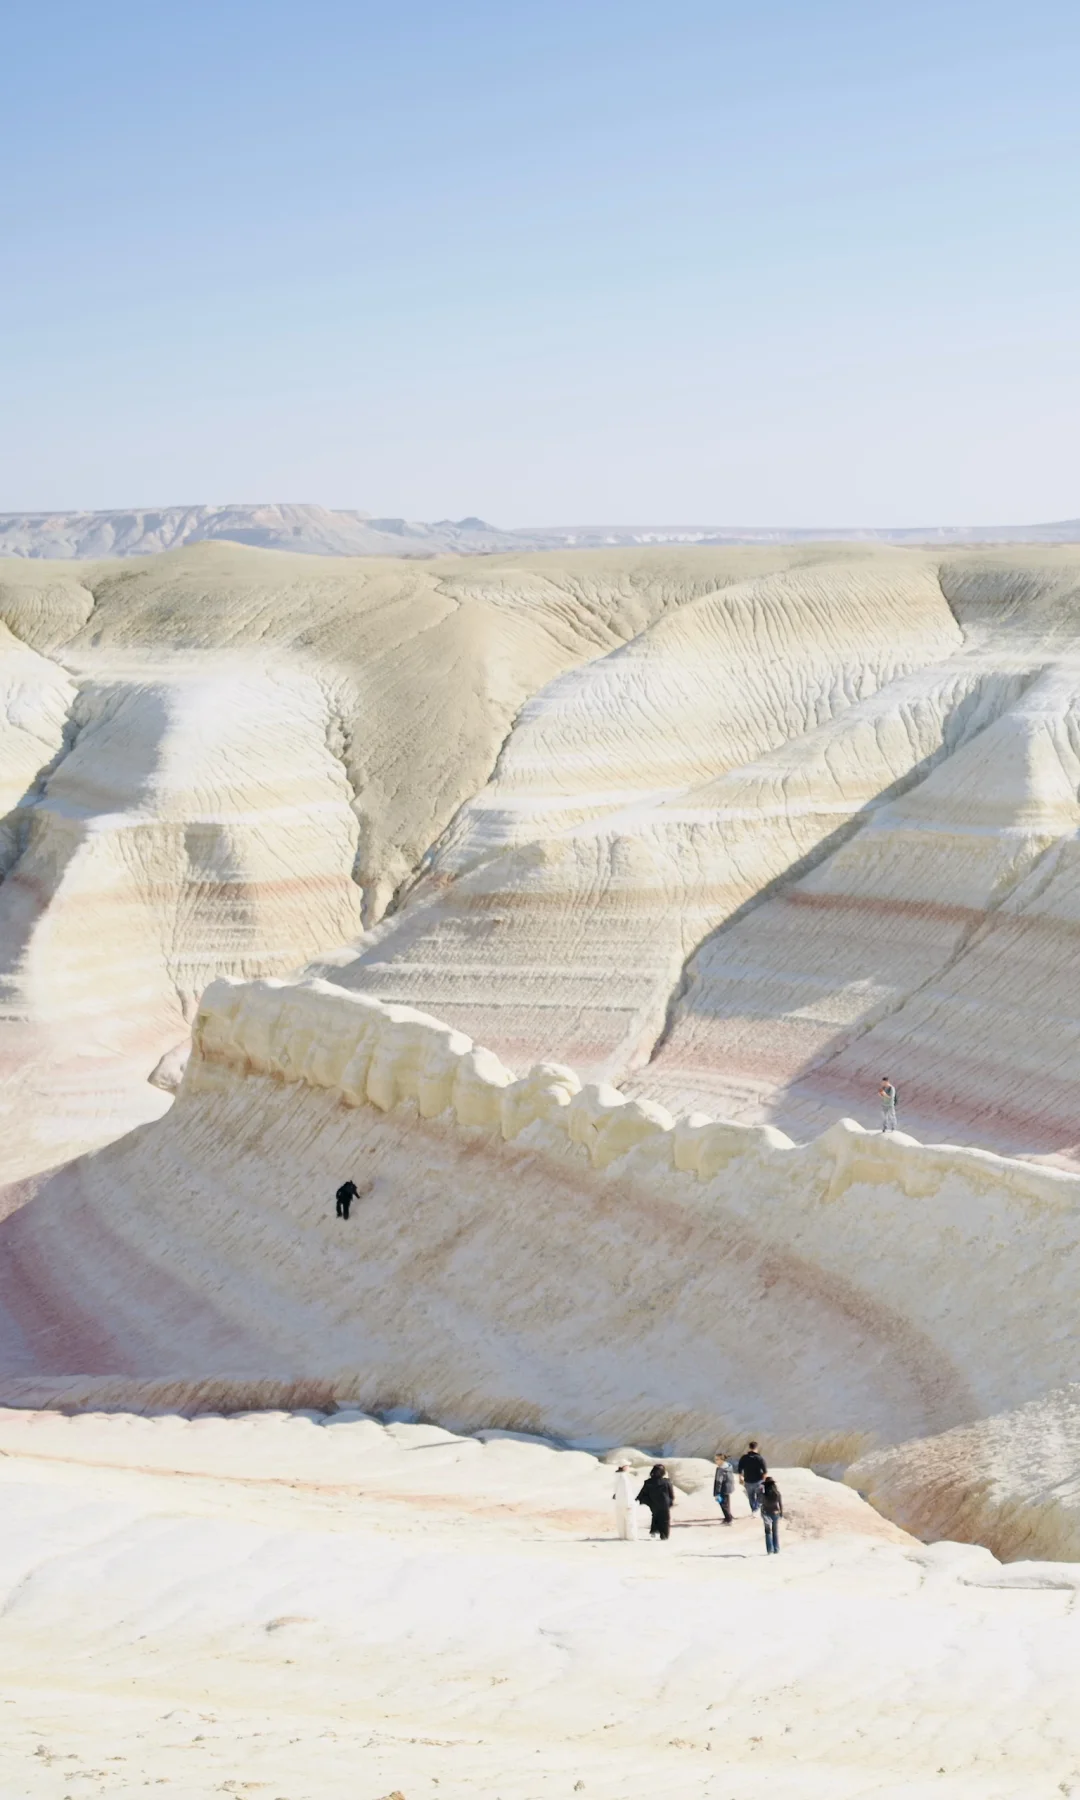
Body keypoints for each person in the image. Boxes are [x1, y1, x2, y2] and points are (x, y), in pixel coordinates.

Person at [636, 1463, 676, 1540]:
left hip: (653, 1503)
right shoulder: (666, 1482)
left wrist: (638, 1500)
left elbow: (642, 1493)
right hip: (665, 1504)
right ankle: (664, 1535)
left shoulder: (648, 1482)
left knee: (655, 1516)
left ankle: (654, 1530)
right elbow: (671, 1493)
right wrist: (671, 1501)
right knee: (665, 1519)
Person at [737, 1440, 768, 1514]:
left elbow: (740, 1469)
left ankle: (754, 1510)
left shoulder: (744, 1457)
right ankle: (756, 1508)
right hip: (758, 1480)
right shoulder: (760, 1458)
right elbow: (765, 1471)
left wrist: (740, 1478)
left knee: (751, 1497)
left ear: (749, 1448)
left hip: (747, 1481)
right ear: (756, 1448)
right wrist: (764, 1481)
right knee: (760, 1496)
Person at [612, 1464, 640, 1540]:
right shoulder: (624, 1477)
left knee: (621, 1521)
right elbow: (626, 1492)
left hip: (619, 1502)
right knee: (630, 1520)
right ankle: (631, 1537)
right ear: (624, 1467)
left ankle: (622, 1536)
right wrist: (629, 1503)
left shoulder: (617, 1476)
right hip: (627, 1502)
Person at [760, 1475, 783, 1553]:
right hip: (775, 1513)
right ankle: (776, 1549)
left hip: (766, 1513)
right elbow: (780, 1504)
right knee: (775, 1531)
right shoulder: (777, 1493)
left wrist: (760, 1491)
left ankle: (769, 1550)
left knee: (768, 1532)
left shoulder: (764, 1494)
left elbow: (760, 1502)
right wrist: (781, 1513)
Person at [713, 1451, 735, 1524]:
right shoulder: (729, 1466)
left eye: (717, 1459)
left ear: (721, 1460)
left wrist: (717, 1493)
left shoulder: (720, 1469)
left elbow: (719, 1482)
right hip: (729, 1487)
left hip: (723, 1488)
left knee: (723, 1504)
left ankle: (729, 1519)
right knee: (727, 1503)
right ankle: (728, 1517)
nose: (716, 1461)